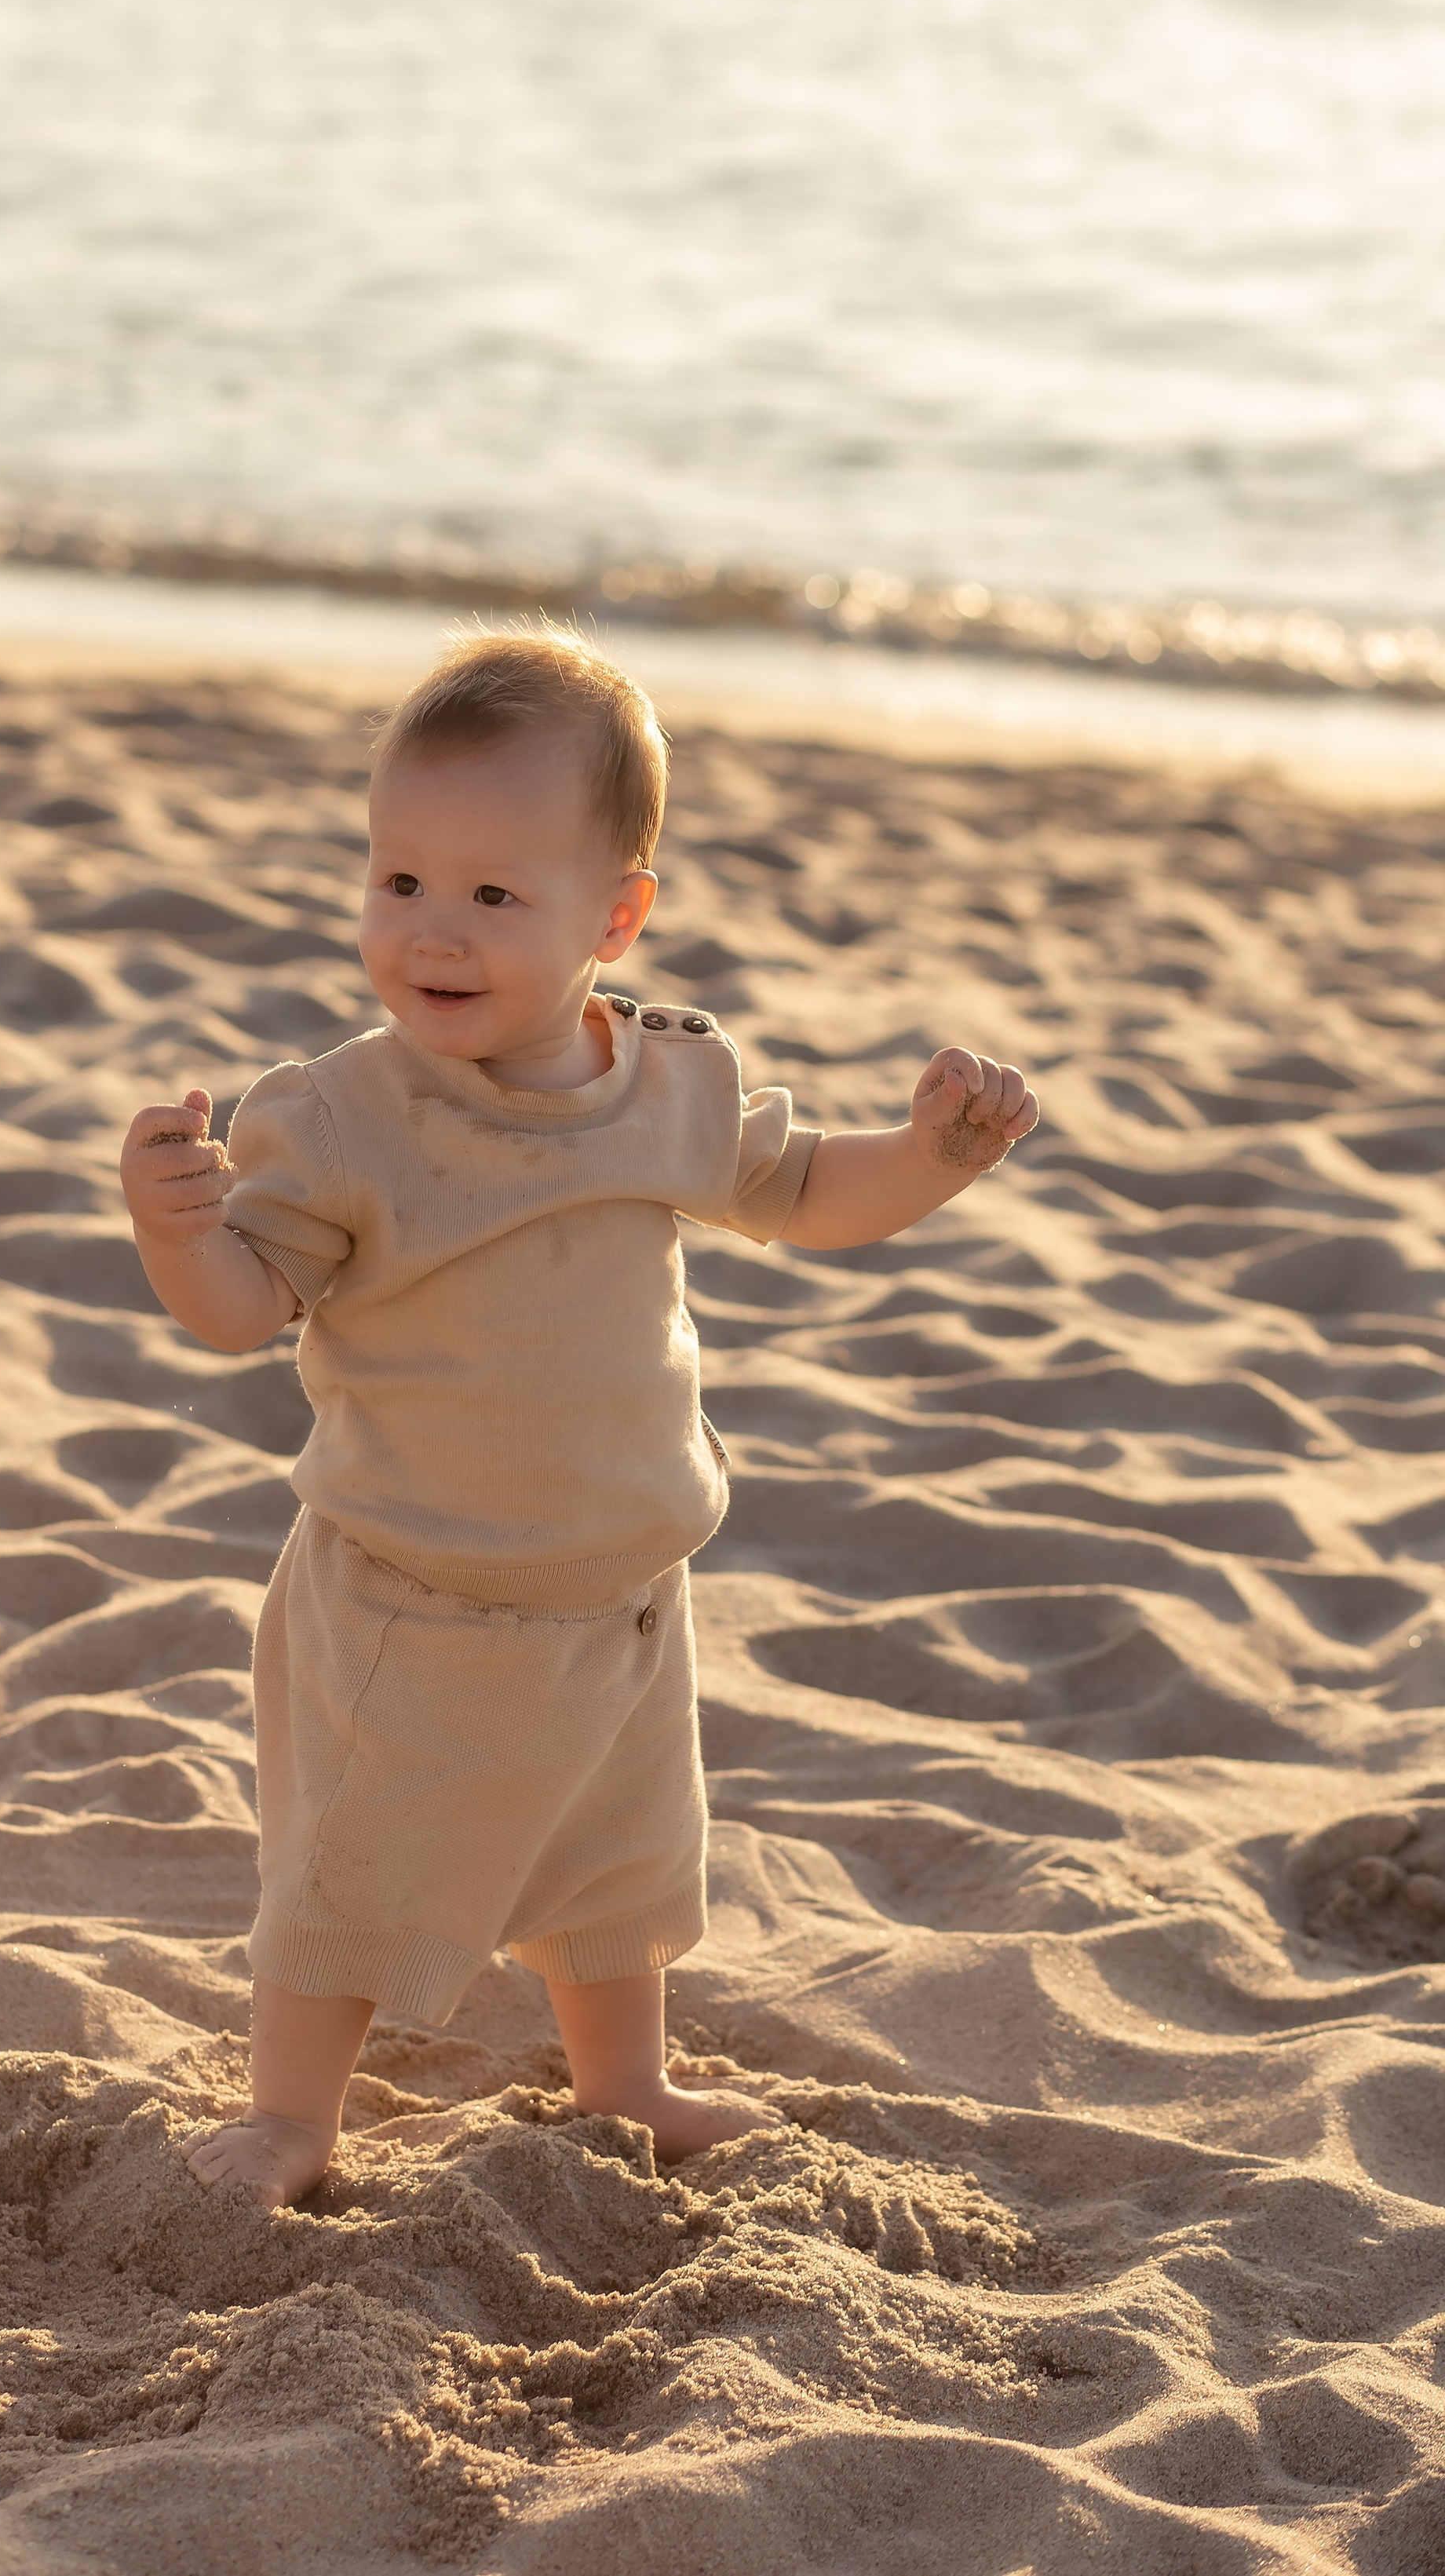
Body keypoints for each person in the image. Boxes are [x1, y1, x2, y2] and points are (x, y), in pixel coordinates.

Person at [119, 630, 1038, 2204]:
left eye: (491, 894)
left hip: (619, 1589)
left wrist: (929, 1155)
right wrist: (174, 1228)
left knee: (619, 1873)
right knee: (351, 1871)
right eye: (396, 880)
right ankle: (291, 2114)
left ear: (613, 917)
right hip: (417, 1590)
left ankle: (624, 2082)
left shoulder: (671, 1085)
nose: (432, 931)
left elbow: (806, 1188)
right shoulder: (339, 1117)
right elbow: (240, 1308)